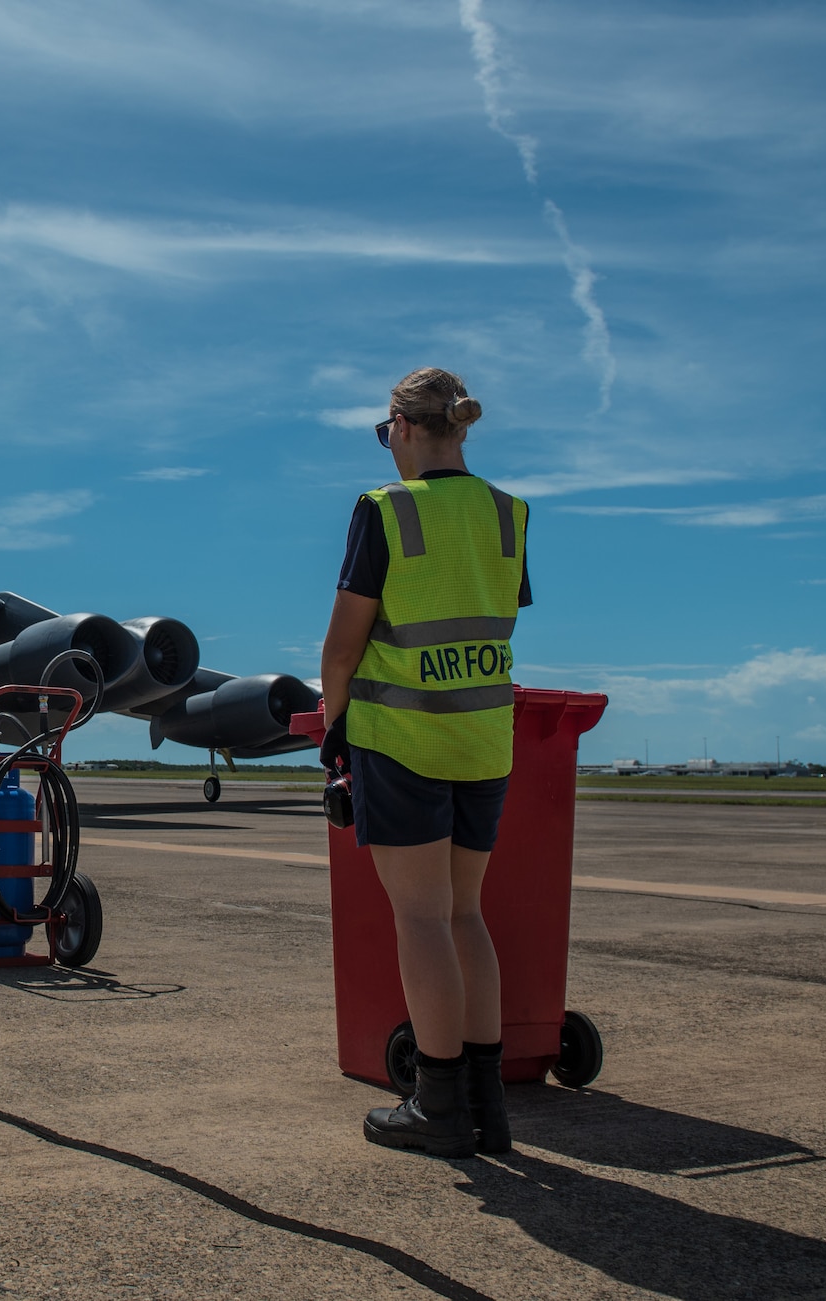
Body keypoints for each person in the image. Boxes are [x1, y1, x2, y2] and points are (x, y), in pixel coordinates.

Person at [319, 367, 530, 1161]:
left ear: (404, 427)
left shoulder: (385, 510)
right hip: (484, 742)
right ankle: (487, 1104)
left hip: (403, 742)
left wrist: (335, 731)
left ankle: (438, 1103)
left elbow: (343, 646)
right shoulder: (508, 515)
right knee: (466, 913)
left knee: (421, 918)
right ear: (460, 428)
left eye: (386, 432)